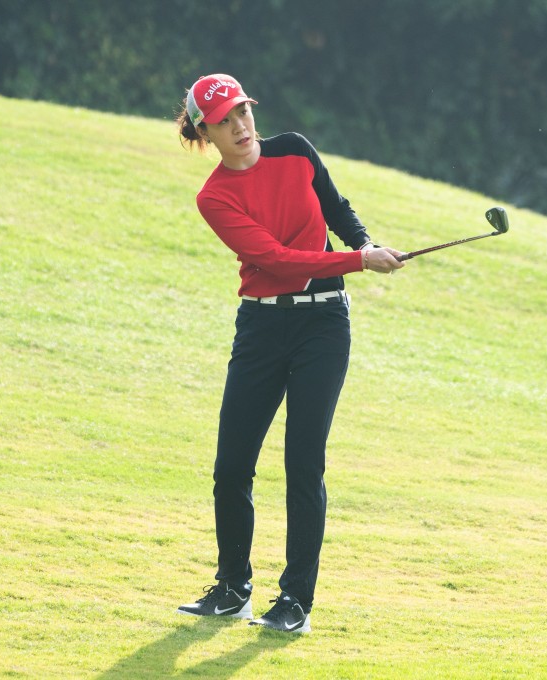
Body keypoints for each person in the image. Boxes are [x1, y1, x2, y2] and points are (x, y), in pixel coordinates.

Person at [174, 74, 405, 633]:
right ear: (206, 132)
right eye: (225, 121)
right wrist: (358, 263)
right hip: (262, 326)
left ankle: (295, 601)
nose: (241, 127)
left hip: (323, 325)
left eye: (244, 113)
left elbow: (336, 207)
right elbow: (277, 260)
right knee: (232, 466)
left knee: (303, 463)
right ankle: (232, 590)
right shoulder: (214, 197)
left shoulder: (296, 151)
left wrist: (362, 242)